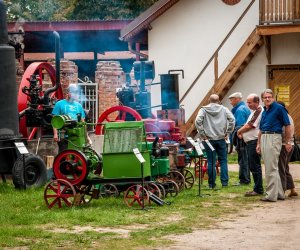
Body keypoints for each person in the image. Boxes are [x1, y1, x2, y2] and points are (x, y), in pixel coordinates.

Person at [256, 89, 292, 202]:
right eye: (265, 97)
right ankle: (280, 194)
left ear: (273, 98)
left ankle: (271, 196)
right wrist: (258, 143)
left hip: (274, 137)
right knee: (273, 168)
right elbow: (261, 129)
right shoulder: (265, 111)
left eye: (269, 97)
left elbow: (287, 125)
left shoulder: (279, 108)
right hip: (265, 137)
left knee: (270, 168)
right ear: (262, 99)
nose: (267, 99)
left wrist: (288, 141)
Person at [195, 94, 235, 188]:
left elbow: (198, 121)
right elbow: (232, 119)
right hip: (221, 138)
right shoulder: (224, 109)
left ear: (209, 100)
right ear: (219, 100)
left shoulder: (203, 109)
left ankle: (211, 184)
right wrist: (228, 132)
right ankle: (224, 183)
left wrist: (202, 134)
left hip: (208, 139)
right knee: (223, 161)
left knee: (211, 162)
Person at [237, 94, 263, 196]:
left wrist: (239, 131)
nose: (248, 104)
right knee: (253, 165)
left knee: (255, 166)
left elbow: (251, 125)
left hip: (254, 141)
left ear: (257, 102)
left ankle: (258, 189)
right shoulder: (254, 111)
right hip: (250, 142)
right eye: (247, 102)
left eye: (250, 102)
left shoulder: (259, 111)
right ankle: (257, 188)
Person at [52, 84, 87, 152]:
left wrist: (86, 136)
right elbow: (55, 120)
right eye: (74, 92)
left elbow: (83, 122)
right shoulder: (59, 104)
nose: (76, 94)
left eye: (76, 92)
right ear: (68, 93)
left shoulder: (79, 106)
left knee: (77, 155)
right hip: (63, 135)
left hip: (76, 135)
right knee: (63, 154)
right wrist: (55, 134)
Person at [229, 92, 251, 185]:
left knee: (243, 160)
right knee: (244, 159)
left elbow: (239, 127)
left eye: (232, 99)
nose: (230, 102)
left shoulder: (240, 110)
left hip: (241, 139)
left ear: (237, 99)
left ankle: (244, 180)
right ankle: (246, 179)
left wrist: (235, 139)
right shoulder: (243, 108)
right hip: (245, 139)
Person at [277, 101, 298, 197]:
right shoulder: (289, 116)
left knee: (281, 168)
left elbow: (284, 132)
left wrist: (286, 142)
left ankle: (282, 190)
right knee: (285, 167)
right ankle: (292, 189)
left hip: (284, 145)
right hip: (290, 144)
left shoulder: (283, 117)